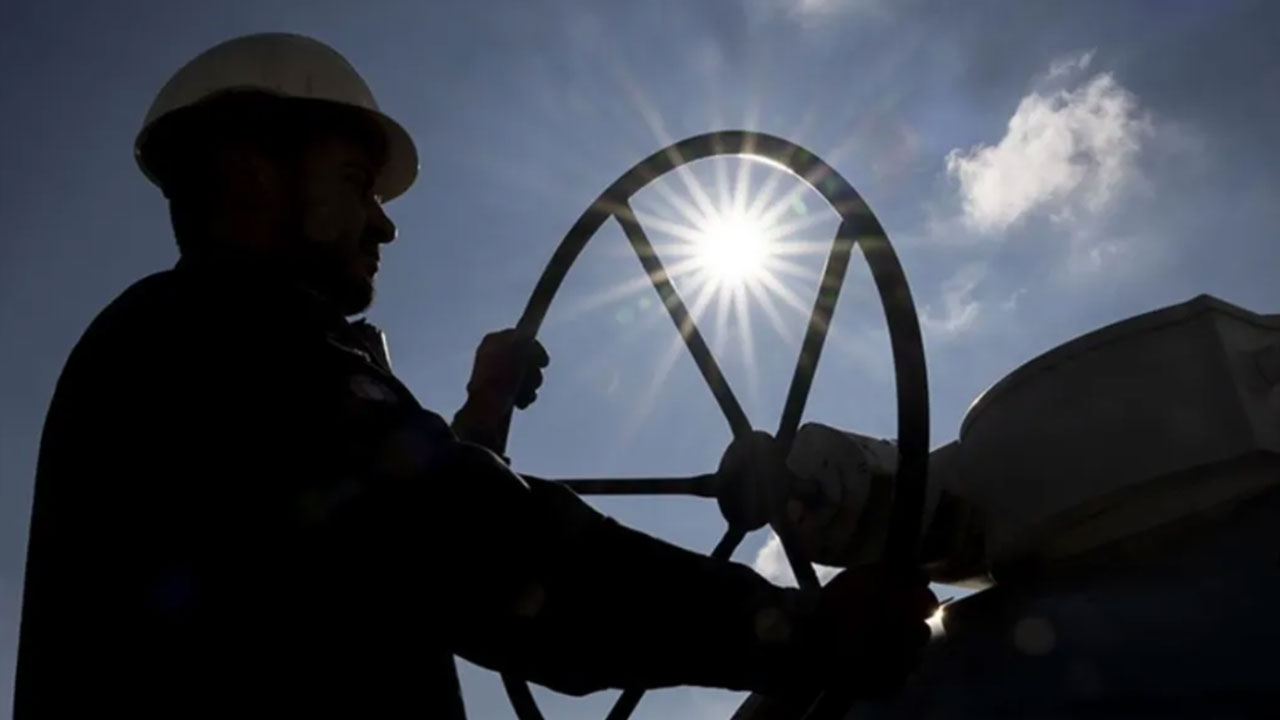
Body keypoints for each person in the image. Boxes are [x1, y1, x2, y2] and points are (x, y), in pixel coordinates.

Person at [14, 33, 935, 720]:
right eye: (354, 182)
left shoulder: (181, 351)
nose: (384, 225)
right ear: (252, 179)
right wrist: (799, 632)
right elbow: (483, 550)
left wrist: (483, 410)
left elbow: (388, 529)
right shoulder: (218, 341)